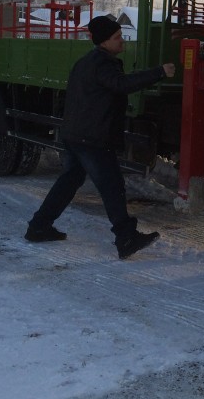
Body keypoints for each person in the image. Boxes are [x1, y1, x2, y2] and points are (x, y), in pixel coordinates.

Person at [25, 15, 176, 259]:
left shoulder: (86, 62)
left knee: (69, 182)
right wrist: (159, 72)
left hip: (76, 134)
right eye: (117, 38)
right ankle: (126, 237)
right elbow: (122, 84)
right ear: (104, 41)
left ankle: (38, 227)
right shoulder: (103, 64)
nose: (122, 42)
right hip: (92, 138)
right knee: (112, 186)